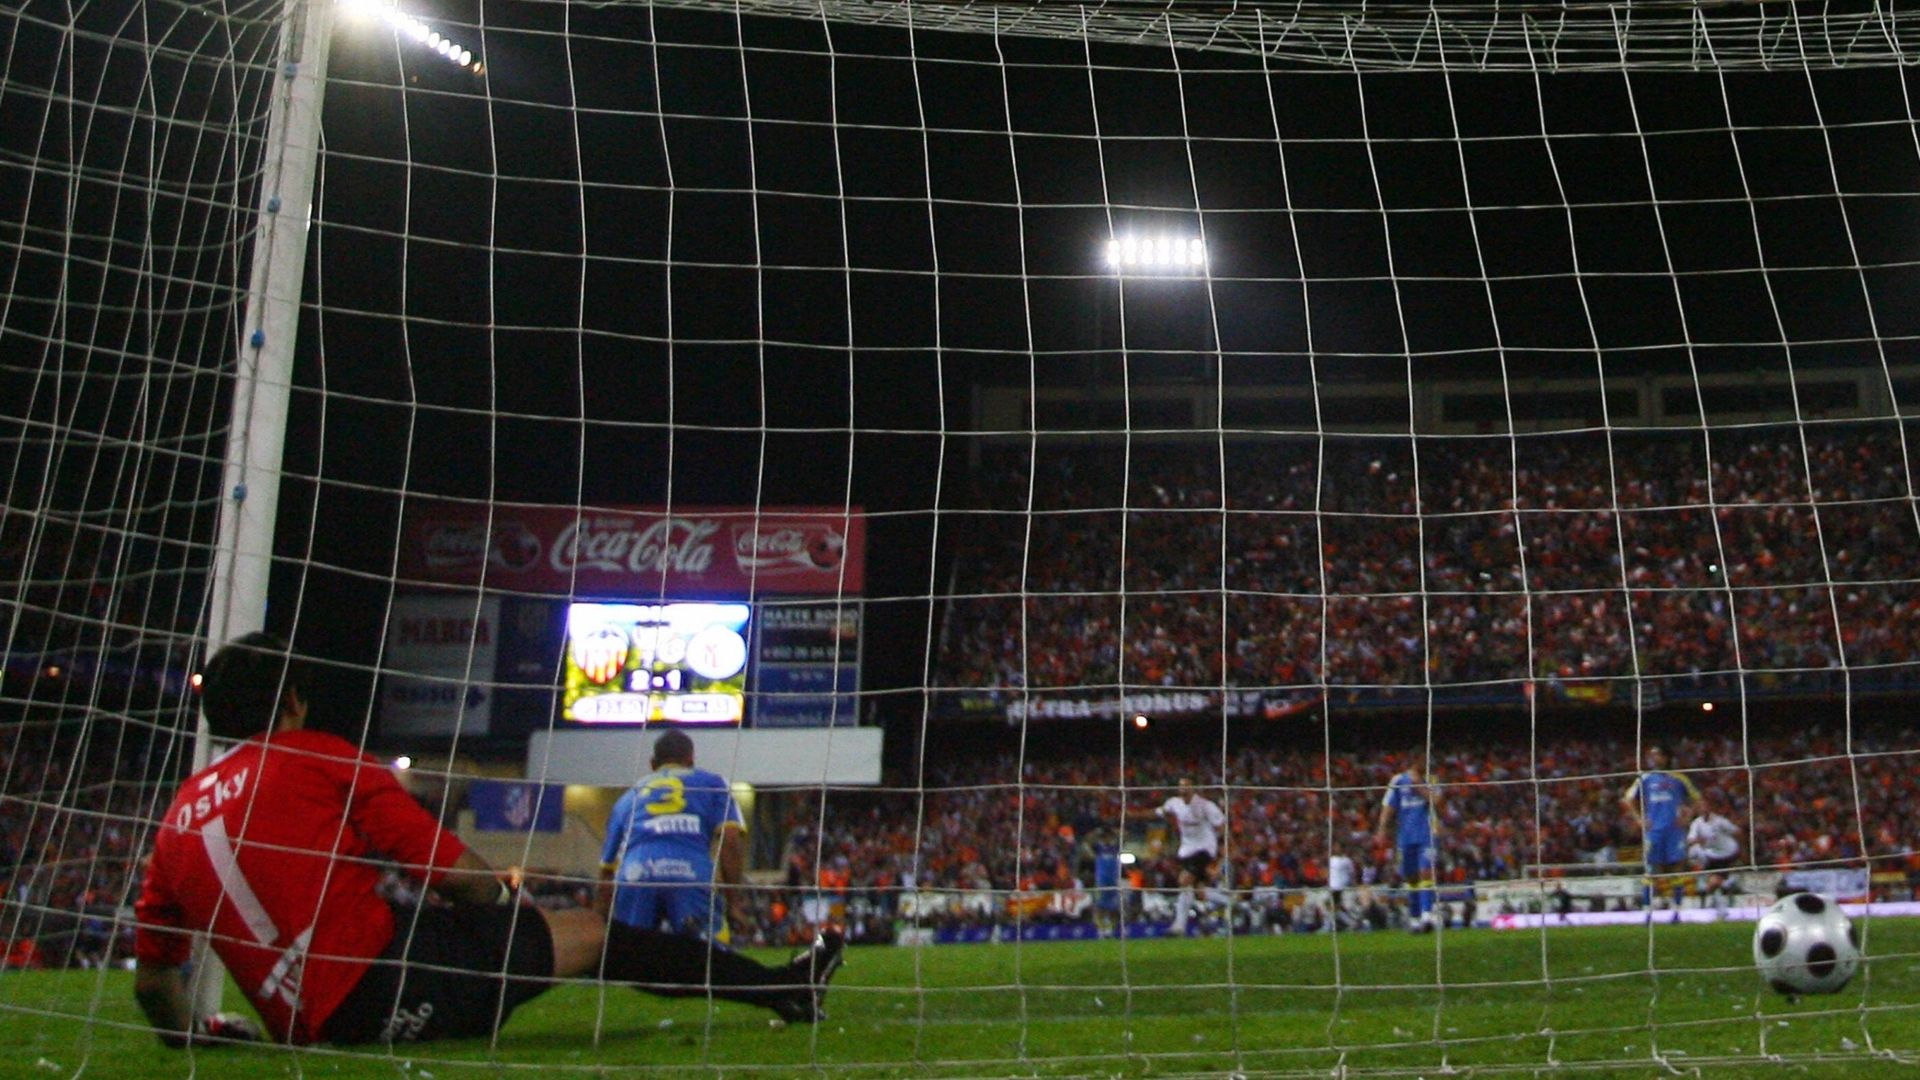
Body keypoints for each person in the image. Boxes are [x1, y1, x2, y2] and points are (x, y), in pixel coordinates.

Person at [133, 633, 842, 1048]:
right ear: (292, 700)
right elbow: (456, 873)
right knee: (590, 934)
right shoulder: (319, 756)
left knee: (570, 933)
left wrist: (195, 1035)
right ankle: (782, 987)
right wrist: (509, 926)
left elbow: (155, 983)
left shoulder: (176, 820)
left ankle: (781, 990)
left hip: (313, 1015)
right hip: (380, 989)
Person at [599, 731, 748, 944]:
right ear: (691, 761)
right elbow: (730, 840)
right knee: (706, 957)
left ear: (652, 764)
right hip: (689, 872)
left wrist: (599, 918)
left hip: (636, 874)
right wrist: (734, 903)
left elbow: (606, 870)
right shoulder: (713, 783)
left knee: (633, 957)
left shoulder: (628, 797)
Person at [1619, 744, 1701, 911]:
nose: (1653, 758)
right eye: (1652, 755)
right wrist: (1640, 820)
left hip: (1674, 830)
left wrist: (1688, 816)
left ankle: (1677, 910)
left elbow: (1697, 799)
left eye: (1657, 755)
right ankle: (1647, 911)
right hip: (1654, 831)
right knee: (1650, 869)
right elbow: (1627, 800)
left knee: (1676, 868)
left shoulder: (1679, 778)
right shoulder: (1645, 778)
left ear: (1666, 757)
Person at [1376, 758, 1440, 932]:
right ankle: (1415, 918)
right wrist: (1382, 829)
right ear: (1414, 763)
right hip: (1405, 836)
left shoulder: (1431, 780)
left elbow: (1438, 801)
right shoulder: (1397, 780)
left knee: (1426, 872)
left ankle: (1427, 915)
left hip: (1427, 834)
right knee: (1411, 878)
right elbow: (1388, 806)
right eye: (1423, 762)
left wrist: (1419, 786)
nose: (1425, 765)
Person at [1158, 779, 1225, 935]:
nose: (1183, 789)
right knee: (1198, 891)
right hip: (1188, 850)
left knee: (1184, 880)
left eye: (1186, 785)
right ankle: (1230, 902)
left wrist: (1220, 851)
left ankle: (1179, 926)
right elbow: (1162, 812)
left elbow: (1221, 826)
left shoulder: (1206, 806)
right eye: (1180, 785)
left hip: (1204, 850)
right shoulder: (1175, 804)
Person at [1686, 793, 1741, 905]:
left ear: (1710, 807)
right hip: (1712, 855)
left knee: (1713, 883)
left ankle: (1723, 887)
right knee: (1694, 852)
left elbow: (1737, 831)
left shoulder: (1720, 821)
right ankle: (1726, 885)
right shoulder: (1697, 823)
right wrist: (1700, 840)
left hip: (1727, 853)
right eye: (1700, 806)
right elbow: (1690, 840)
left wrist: (1724, 836)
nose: (1703, 809)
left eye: (1705, 806)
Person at [1326, 849, 1356, 930]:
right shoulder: (1332, 859)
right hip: (1333, 886)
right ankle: (1348, 923)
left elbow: (1351, 873)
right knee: (1333, 906)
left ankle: (1350, 923)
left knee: (1334, 906)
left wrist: (1351, 883)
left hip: (1341, 887)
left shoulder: (1346, 860)